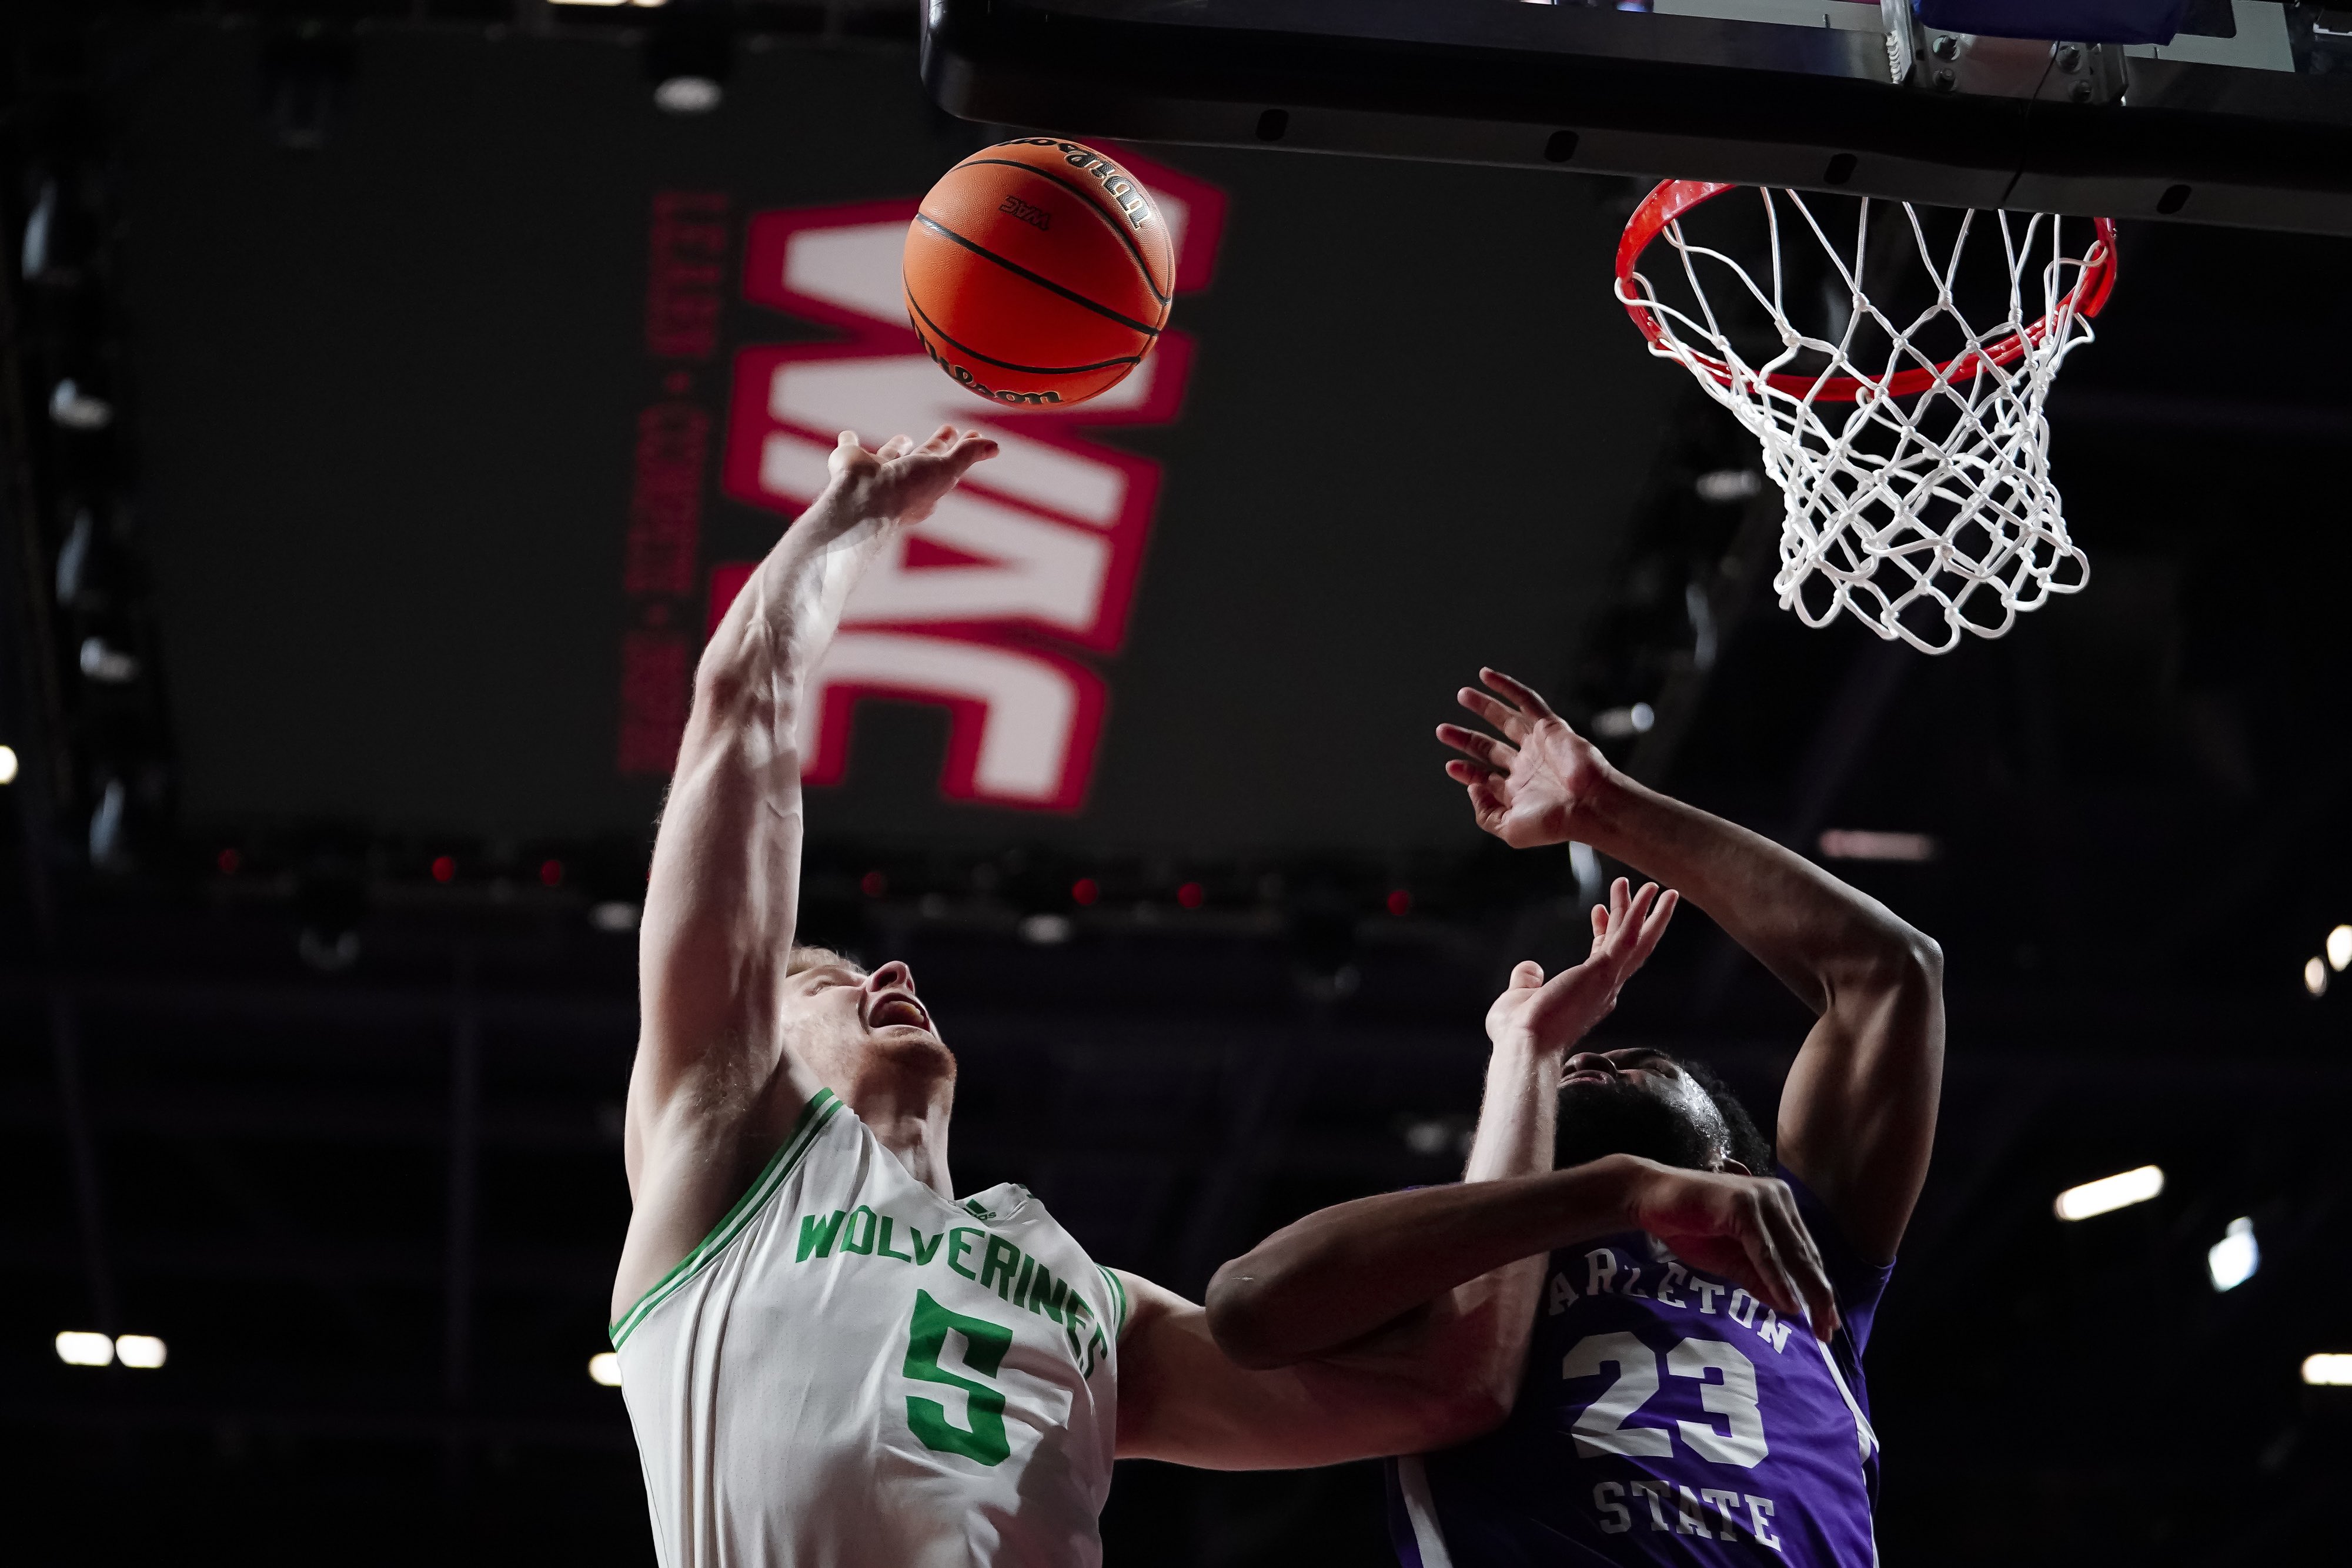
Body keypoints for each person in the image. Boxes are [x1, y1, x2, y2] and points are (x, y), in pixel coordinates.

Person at [606, 429, 1829, 1568]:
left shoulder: (1086, 1298)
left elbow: (1448, 1384)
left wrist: (1522, 1065)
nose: (888, 974)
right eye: (820, 977)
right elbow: (743, 720)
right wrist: (844, 526)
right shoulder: (724, 1156)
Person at [1206, 668, 1945, 1568]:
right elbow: (1247, 1308)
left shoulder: (1803, 1257)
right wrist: (1574, 1126)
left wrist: (1605, 807)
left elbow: (1891, 972)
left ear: (1734, 1165)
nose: (1595, 1058)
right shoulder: (1466, 1266)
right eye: (1579, 1066)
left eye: (1638, 1060)